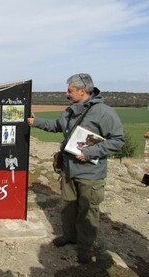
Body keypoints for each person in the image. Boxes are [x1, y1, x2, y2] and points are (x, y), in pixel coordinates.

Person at [27, 73, 124, 264]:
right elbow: (56, 125)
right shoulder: (70, 110)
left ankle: (85, 246)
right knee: (68, 206)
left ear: (82, 90)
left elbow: (118, 140)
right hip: (69, 170)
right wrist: (35, 122)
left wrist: (91, 152)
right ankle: (70, 236)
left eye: (70, 91)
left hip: (90, 173)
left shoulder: (104, 112)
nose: (66, 94)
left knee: (87, 210)